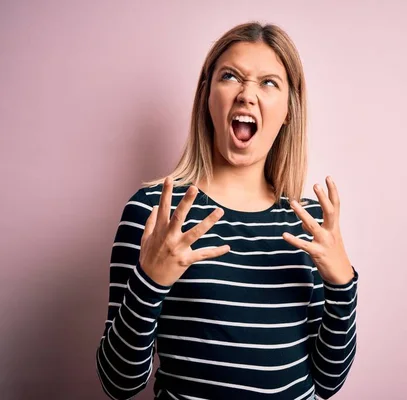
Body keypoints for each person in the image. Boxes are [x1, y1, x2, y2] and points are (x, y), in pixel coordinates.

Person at [96, 21, 359, 400]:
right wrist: (150, 280)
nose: (247, 95)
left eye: (269, 82)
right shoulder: (153, 211)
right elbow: (118, 383)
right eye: (231, 76)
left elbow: (328, 382)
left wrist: (342, 284)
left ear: (288, 110)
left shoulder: (311, 223)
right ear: (207, 96)